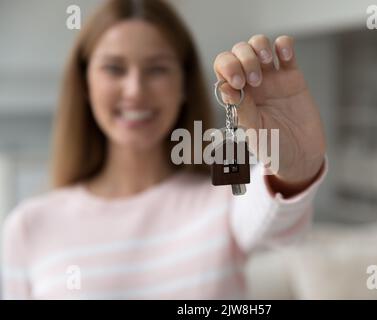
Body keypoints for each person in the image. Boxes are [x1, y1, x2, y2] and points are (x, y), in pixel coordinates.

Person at [1, 0, 327, 299]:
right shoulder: (28, 227)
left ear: (184, 84)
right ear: (85, 83)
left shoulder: (224, 200)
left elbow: (278, 222)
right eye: (114, 68)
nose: (135, 90)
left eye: (157, 68)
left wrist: (295, 166)